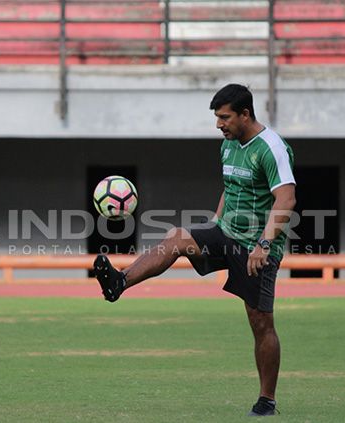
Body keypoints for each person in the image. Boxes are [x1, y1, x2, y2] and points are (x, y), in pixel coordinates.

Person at [93, 83, 296, 417]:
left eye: (224, 117)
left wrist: (264, 244)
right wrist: (215, 222)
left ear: (245, 114)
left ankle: (267, 399)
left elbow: (286, 198)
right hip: (225, 231)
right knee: (177, 238)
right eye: (217, 117)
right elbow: (231, 187)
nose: (219, 124)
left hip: (257, 245)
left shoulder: (272, 147)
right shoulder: (228, 146)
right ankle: (119, 282)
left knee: (260, 322)